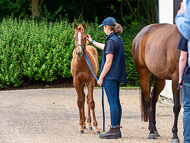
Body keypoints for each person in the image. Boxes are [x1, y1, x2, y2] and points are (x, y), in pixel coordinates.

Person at [86, 17, 127, 139]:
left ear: (107, 27)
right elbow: (105, 47)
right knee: (116, 102)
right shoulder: (116, 39)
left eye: (103, 27)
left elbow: (108, 62)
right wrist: (92, 41)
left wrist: (101, 77)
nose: (103, 29)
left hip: (110, 76)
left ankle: (113, 129)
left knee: (113, 103)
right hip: (116, 75)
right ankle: (117, 129)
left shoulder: (111, 41)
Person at [175, 1, 190, 142]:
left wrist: (180, 78)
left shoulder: (187, 32)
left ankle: (187, 139)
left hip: (189, 78)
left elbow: (183, 58)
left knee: (188, 109)